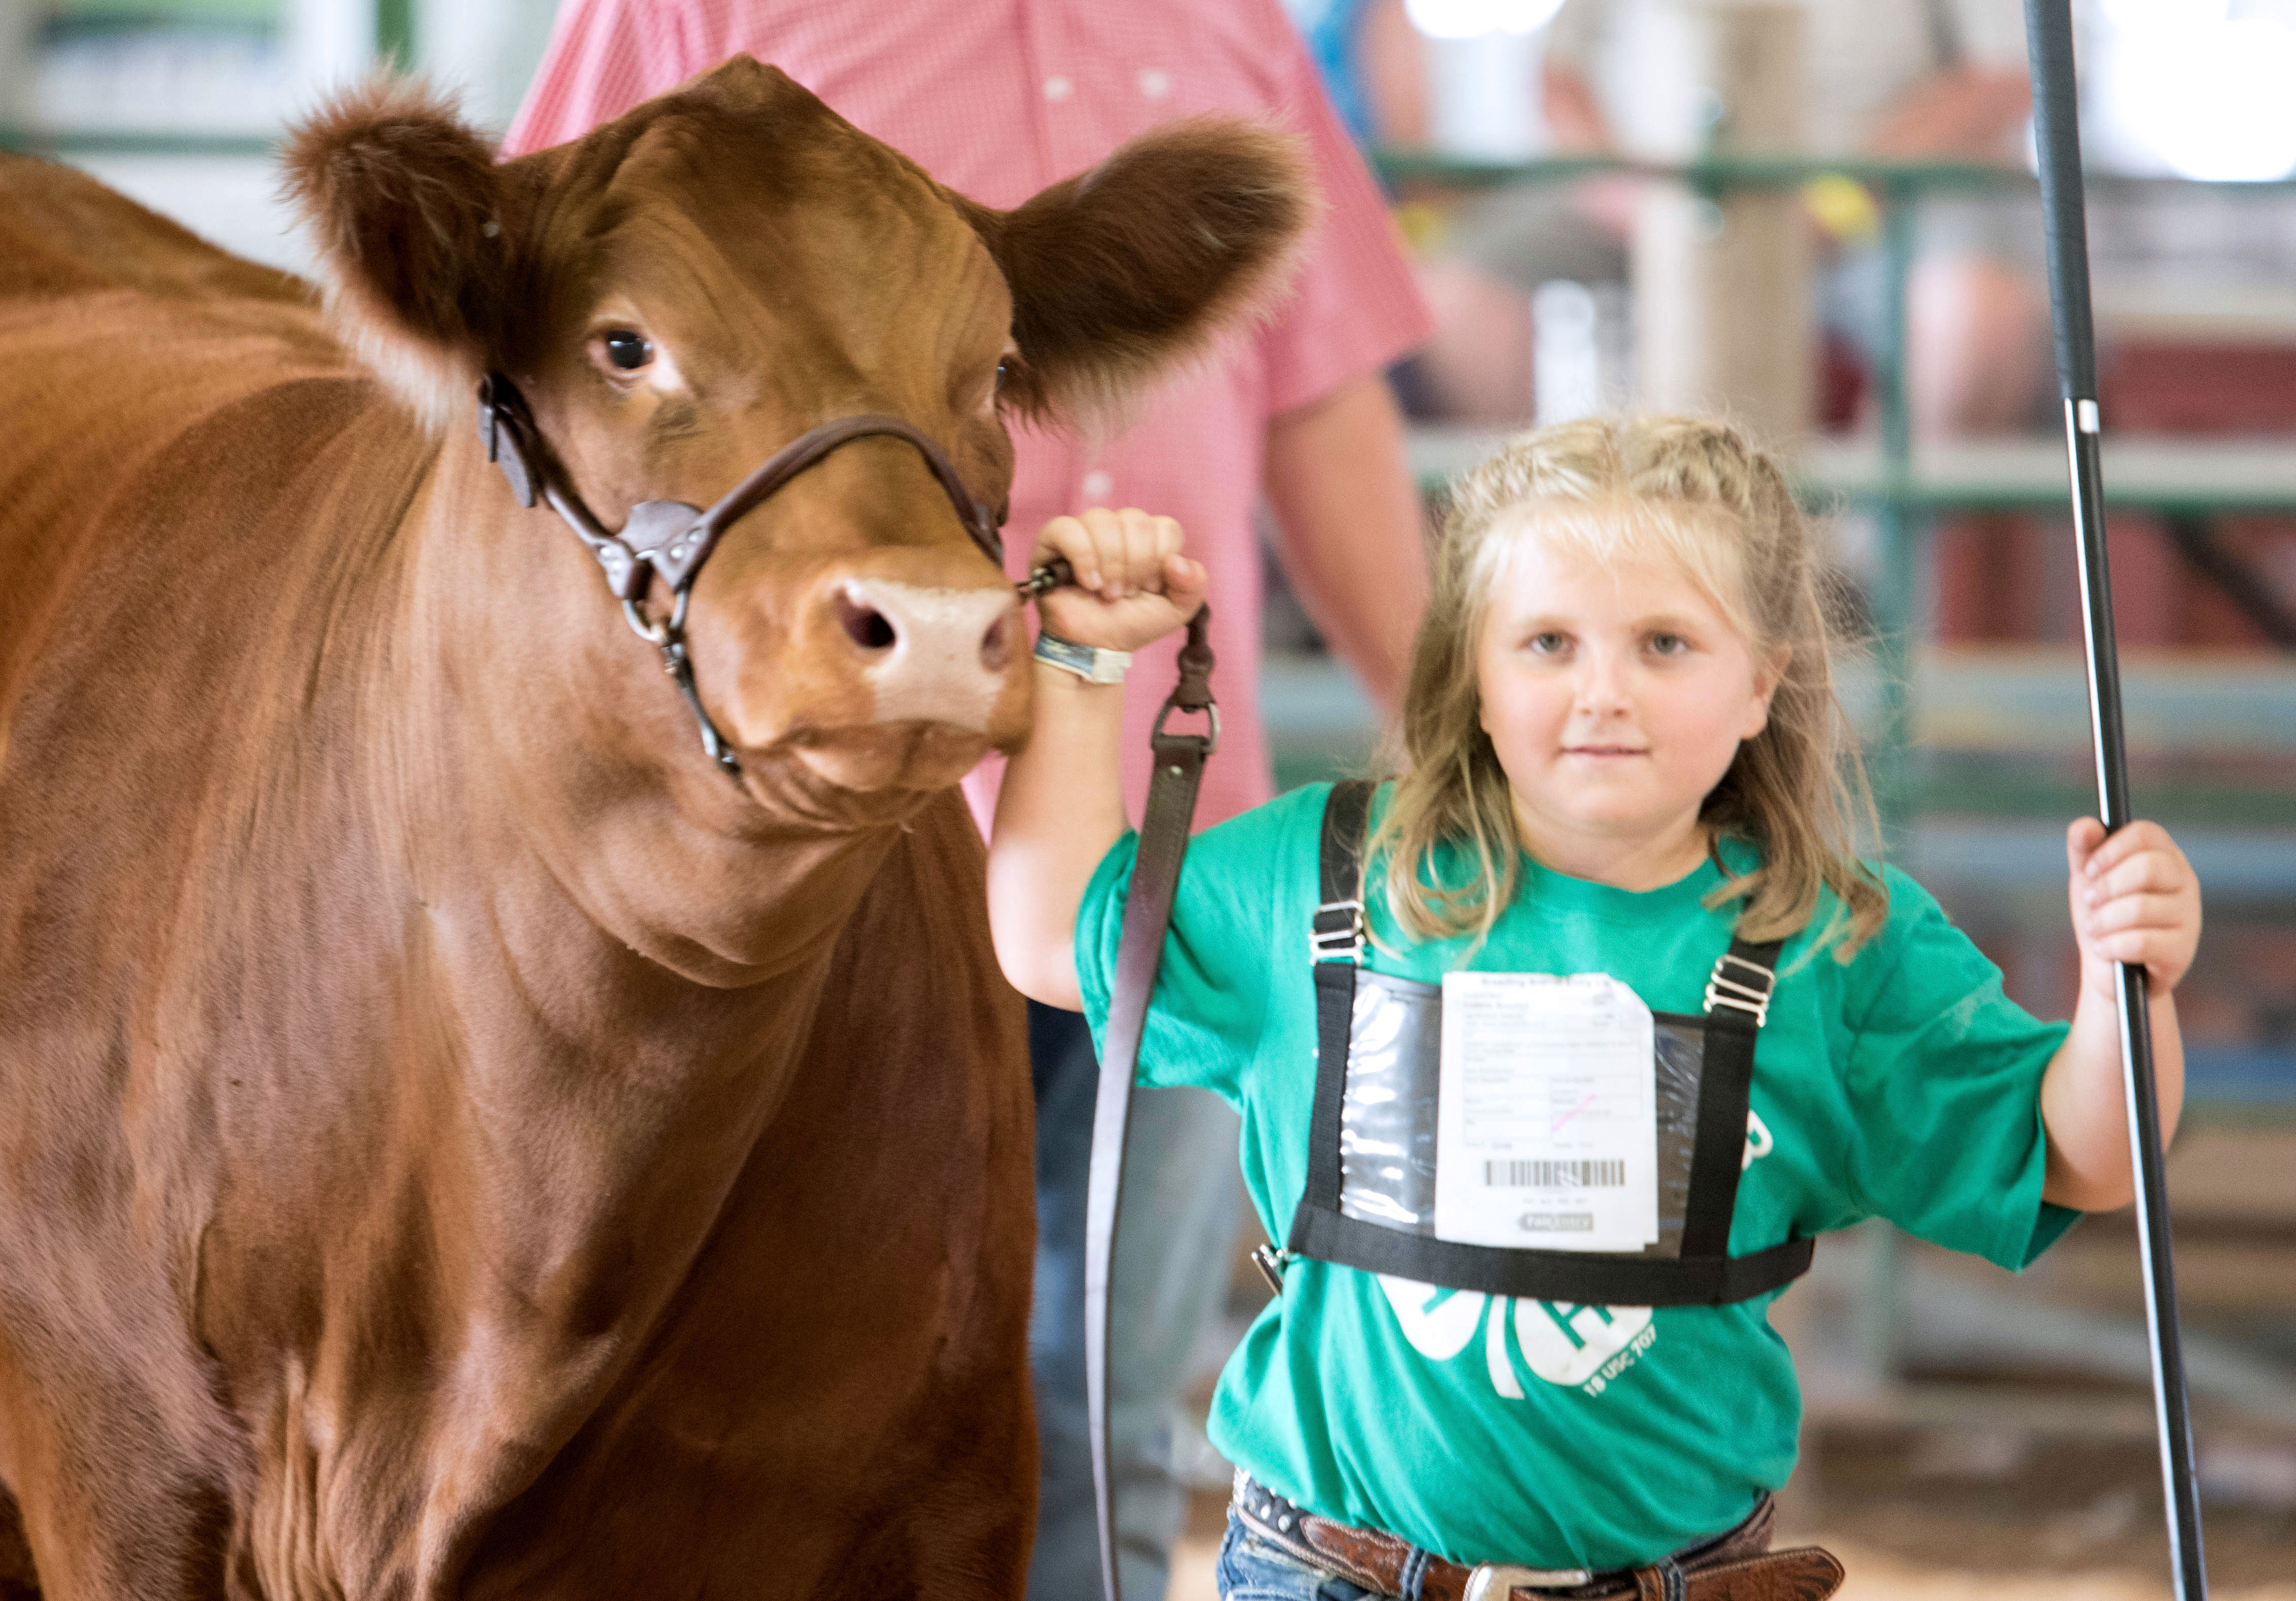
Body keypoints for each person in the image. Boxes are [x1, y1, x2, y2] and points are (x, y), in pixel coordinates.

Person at [503, 9, 1434, 1600]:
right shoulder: (689, 11)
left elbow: (1313, 390)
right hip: (819, 842)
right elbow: (528, 352)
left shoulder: (1233, 25)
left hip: (1168, 852)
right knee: (776, 1413)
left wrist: (1453, 736)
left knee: (1105, 1423)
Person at [988, 414, 2201, 1596]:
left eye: (1665, 645)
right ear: (1473, 670)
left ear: (1760, 683)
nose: (1603, 692)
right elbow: (1055, 937)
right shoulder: (1320, 879)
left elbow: (2081, 1157)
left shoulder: (1832, 941)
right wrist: (1087, 661)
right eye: (1549, 643)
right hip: (1329, 1571)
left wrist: (2121, 987)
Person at [1410, 0, 2050, 437]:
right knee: (1455, 296)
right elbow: (1558, 78)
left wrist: (1838, 199)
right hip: (1642, 199)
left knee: (1979, 315)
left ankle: (1859, 570)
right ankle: (1546, 546)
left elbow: (2002, 74)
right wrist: (1632, 199)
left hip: (1869, 202)